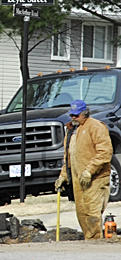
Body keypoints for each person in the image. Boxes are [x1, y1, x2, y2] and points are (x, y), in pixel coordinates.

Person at [55, 99, 112, 240]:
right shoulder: (71, 130)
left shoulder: (96, 127)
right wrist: (63, 175)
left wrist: (90, 171)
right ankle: (89, 241)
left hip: (95, 178)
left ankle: (96, 243)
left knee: (92, 212)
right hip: (78, 179)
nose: (73, 118)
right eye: (72, 115)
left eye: (77, 115)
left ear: (85, 114)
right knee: (82, 213)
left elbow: (105, 152)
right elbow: (69, 157)